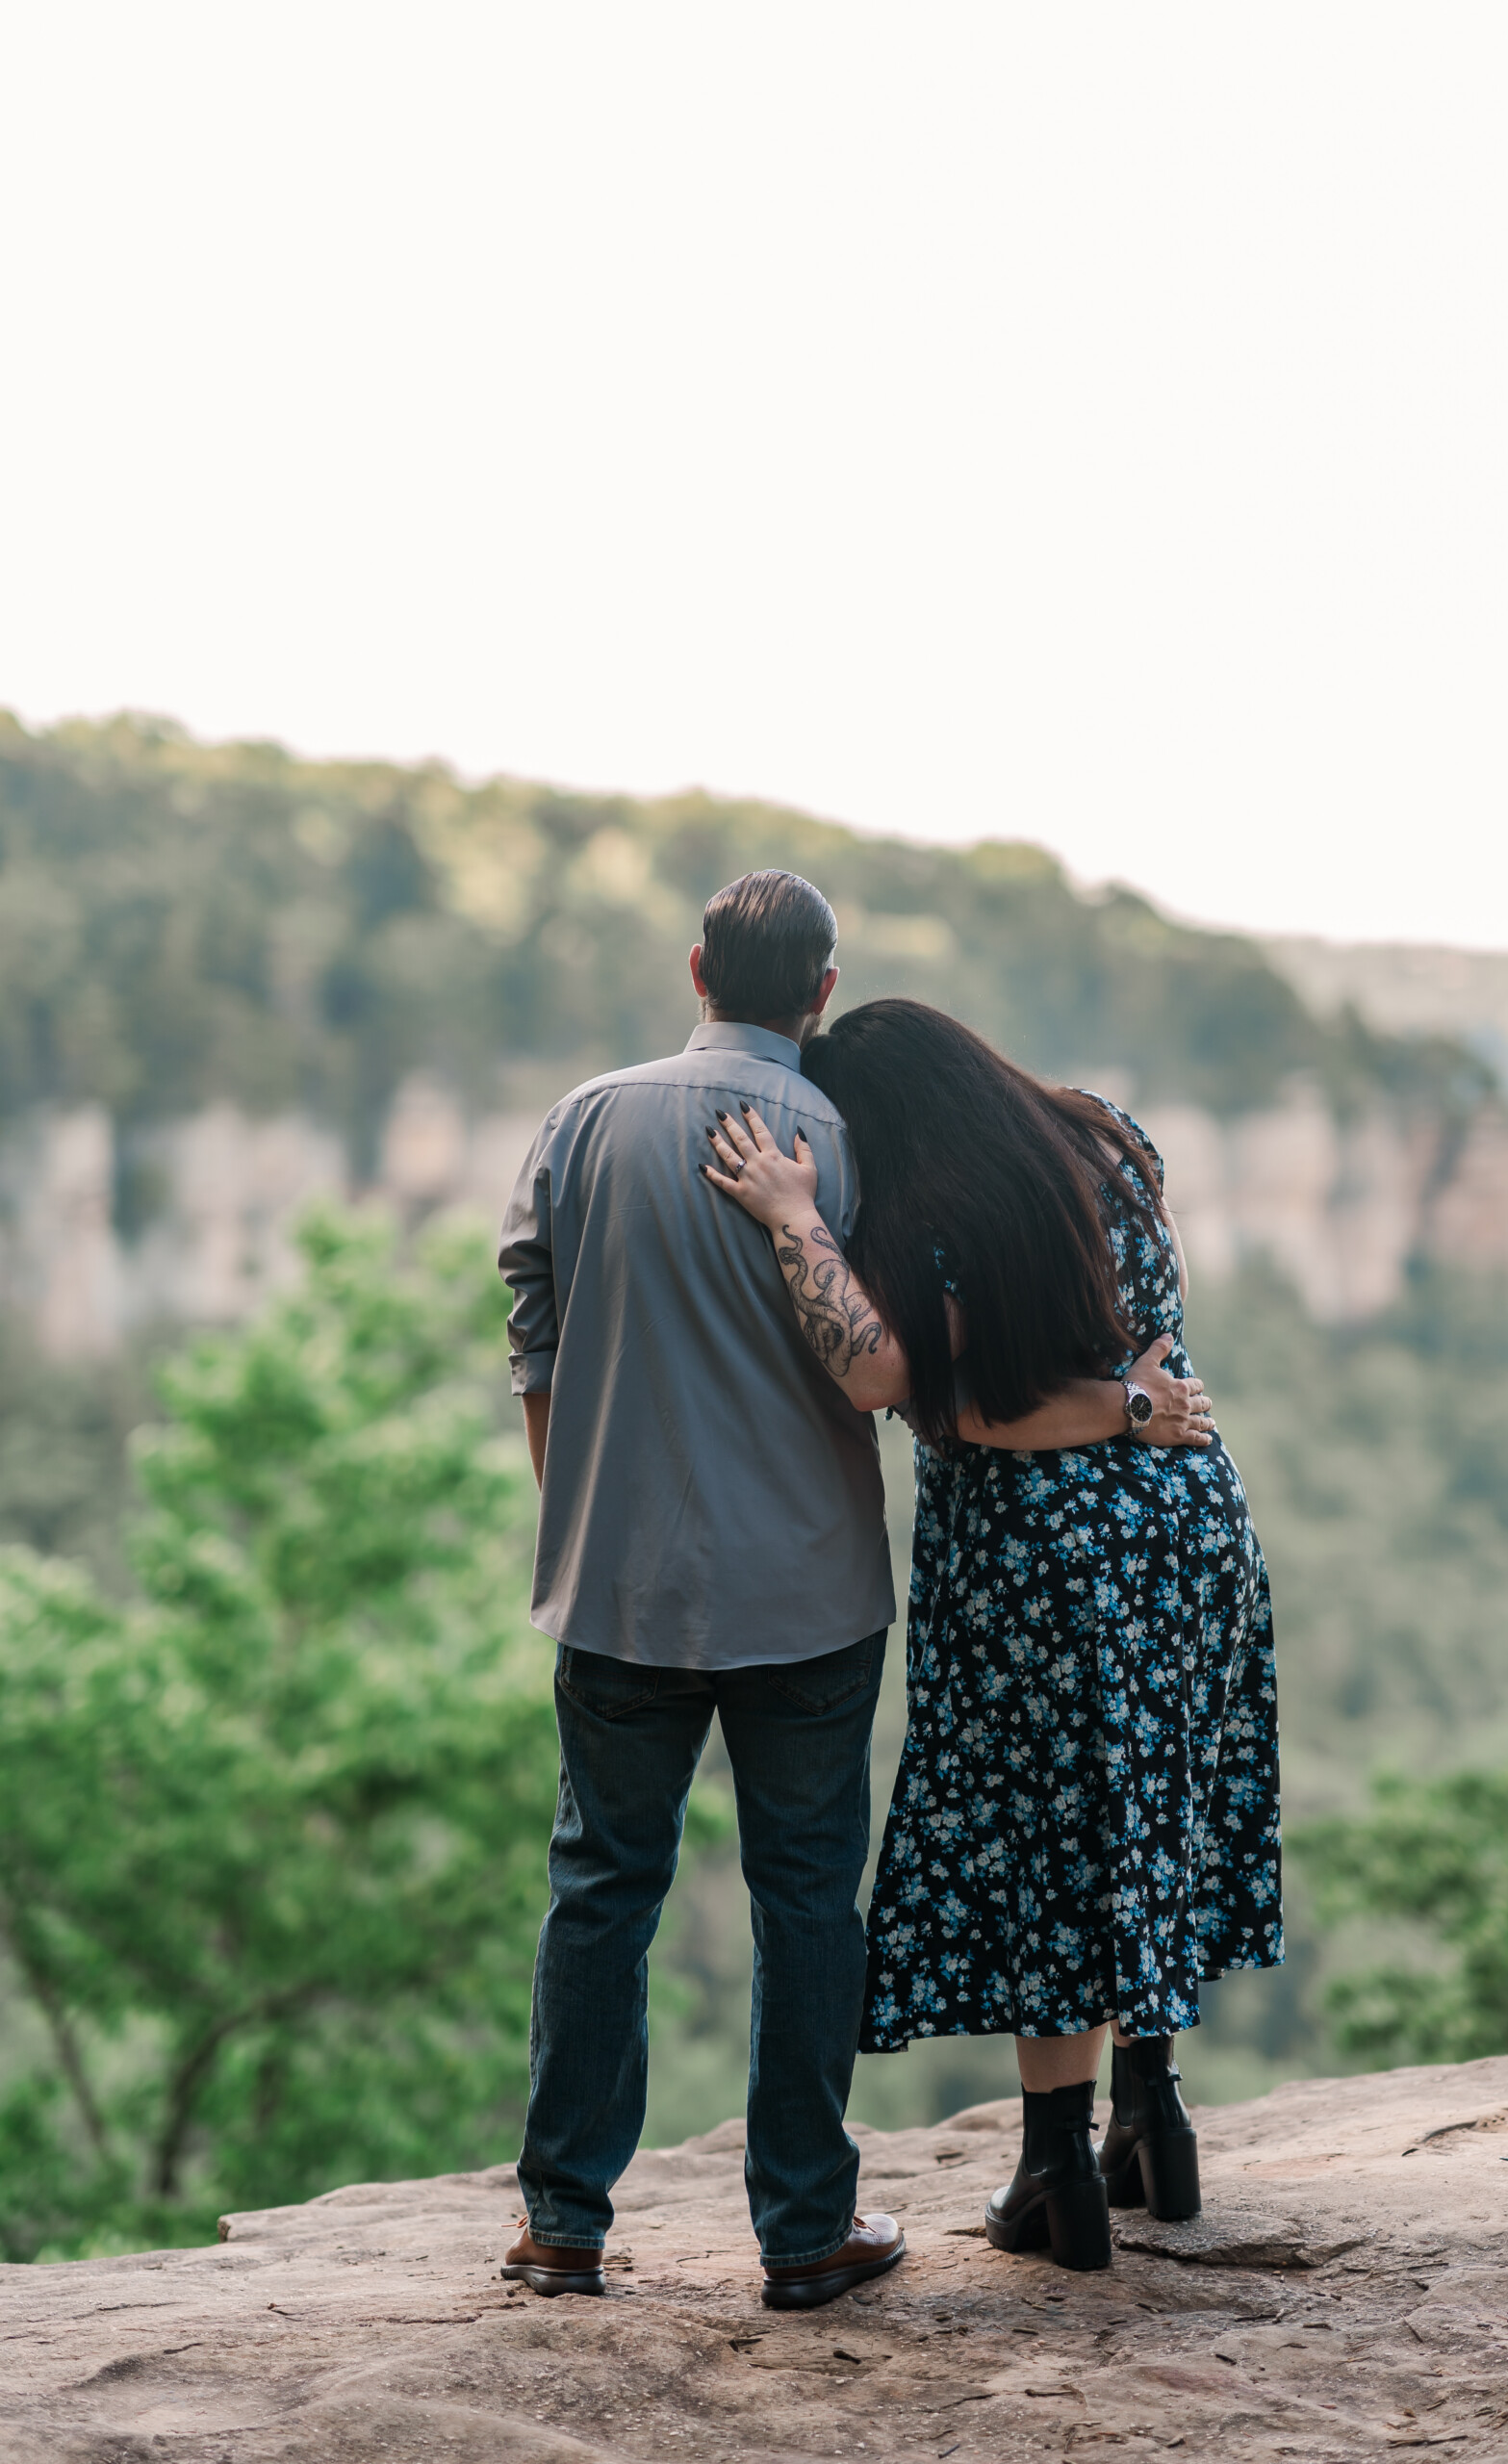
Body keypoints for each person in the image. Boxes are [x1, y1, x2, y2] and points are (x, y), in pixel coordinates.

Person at [703, 996, 1281, 2273]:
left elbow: (936, 1404)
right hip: (1187, 1518)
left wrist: (798, 1219)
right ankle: (1154, 2117)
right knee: (1150, 1800)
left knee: (1051, 1841)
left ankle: (1056, 2171)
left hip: (1038, 1562)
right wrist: (1130, 1408)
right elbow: (1153, 1359)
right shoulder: (1108, 1140)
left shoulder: (921, 1228)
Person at [496, 872, 907, 2311]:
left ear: (694, 971)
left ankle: (563, 2225)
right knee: (806, 1901)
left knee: (599, 1892)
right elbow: (886, 1366)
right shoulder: (844, 1138)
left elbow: (531, 1326)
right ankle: (806, 2234)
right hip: (807, 1593)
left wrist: (583, 1513)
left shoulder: (583, 1119)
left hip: (619, 1588)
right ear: (822, 994)